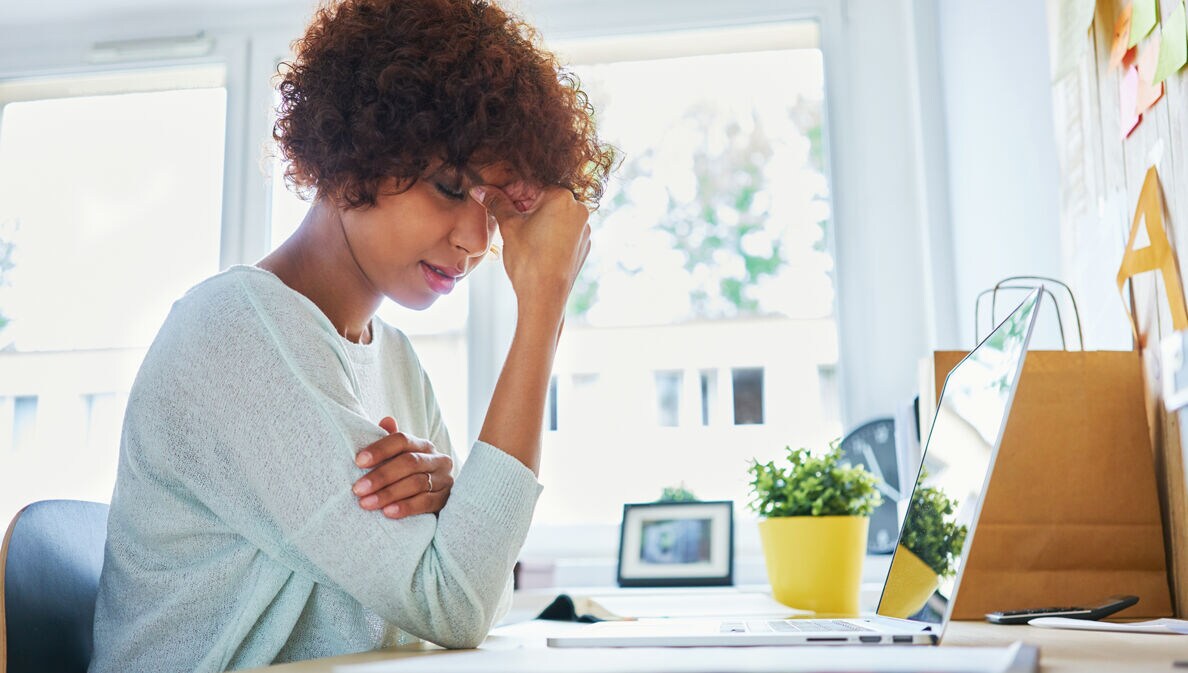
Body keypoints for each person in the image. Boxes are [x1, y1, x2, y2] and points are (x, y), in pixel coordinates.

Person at [87, 0, 615, 669]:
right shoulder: (234, 332)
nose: (478, 241)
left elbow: (481, 594)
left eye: (494, 208)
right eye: (452, 187)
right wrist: (543, 308)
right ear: (350, 156)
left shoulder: (394, 360)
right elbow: (455, 601)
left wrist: (458, 511)